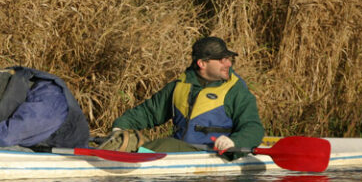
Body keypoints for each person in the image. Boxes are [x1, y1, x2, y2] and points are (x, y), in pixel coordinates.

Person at [106, 36, 264, 155]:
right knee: (155, 144)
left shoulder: (236, 91)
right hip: (181, 153)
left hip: (213, 153)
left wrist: (234, 142)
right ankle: (119, 151)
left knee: (165, 145)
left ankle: (135, 155)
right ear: (202, 64)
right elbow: (148, 112)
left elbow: (253, 127)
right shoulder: (179, 86)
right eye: (222, 60)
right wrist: (120, 126)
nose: (228, 64)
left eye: (228, 59)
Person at [0, 66, 90, 150]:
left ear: (4, 96)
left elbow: (7, 136)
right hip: (34, 148)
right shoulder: (11, 95)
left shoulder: (49, 98)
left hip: (67, 152)